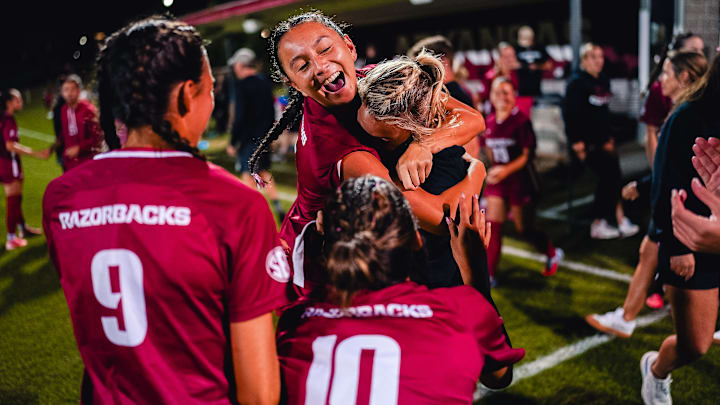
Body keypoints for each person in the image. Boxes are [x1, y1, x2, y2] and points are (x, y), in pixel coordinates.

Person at [43, 17, 288, 404]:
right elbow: (259, 392)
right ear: (188, 94)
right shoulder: (236, 205)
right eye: (210, 88)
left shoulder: (61, 196)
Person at [250, 11, 487, 290]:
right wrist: (477, 171)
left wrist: (425, 144)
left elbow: (472, 118)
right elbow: (441, 221)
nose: (321, 66)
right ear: (293, 84)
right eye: (302, 66)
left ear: (349, 47)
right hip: (327, 273)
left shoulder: (369, 77)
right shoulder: (339, 152)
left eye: (325, 49)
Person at [277, 176, 525, 405]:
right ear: (417, 240)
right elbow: (498, 376)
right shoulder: (462, 309)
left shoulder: (298, 320)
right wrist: (476, 272)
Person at [587, 51, 708, 338]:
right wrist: (643, 185)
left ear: (685, 77)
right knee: (649, 253)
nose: (661, 80)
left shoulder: (688, 116)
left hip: (689, 205)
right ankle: (627, 316)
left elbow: (681, 171)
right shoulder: (686, 112)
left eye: (666, 73)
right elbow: (673, 166)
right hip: (685, 203)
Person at [356, 50, 490, 290]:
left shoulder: (431, 165)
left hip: (441, 283)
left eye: (382, 138)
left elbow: (448, 220)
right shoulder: (385, 98)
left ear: (410, 126)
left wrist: (476, 170)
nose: (367, 141)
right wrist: (477, 170)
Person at [639, 53, 720, 405]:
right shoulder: (688, 118)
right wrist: (676, 248)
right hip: (694, 243)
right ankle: (656, 370)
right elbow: (665, 189)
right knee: (695, 345)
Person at [480, 77, 562, 286]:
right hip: (499, 181)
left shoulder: (521, 121)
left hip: (519, 180)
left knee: (523, 228)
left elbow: (526, 156)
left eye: (507, 92)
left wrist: (505, 169)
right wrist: (494, 170)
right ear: (491, 96)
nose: (503, 97)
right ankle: (490, 274)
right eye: (498, 92)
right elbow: (490, 152)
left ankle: (550, 251)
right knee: (493, 226)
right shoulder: (488, 122)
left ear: (514, 96)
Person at [563, 43, 639, 239]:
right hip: (586, 146)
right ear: (585, 60)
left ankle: (618, 218)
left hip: (603, 142)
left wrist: (609, 137)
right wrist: (577, 143)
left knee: (614, 173)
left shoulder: (603, 80)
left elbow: (603, 115)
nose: (599, 61)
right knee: (611, 174)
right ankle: (600, 222)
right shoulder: (576, 84)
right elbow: (571, 116)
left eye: (601, 57)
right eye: (594, 57)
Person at [225, 47, 285, 221]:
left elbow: (240, 117)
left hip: (248, 139)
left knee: (247, 174)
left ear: (241, 65)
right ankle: (277, 206)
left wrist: (233, 141)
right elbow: (271, 112)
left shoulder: (242, 86)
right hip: (264, 137)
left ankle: (252, 215)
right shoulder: (264, 82)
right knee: (263, 173)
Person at [1, 89, 49, 250]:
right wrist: (35, 153)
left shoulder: (4, 118)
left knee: (17, 198)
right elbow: (10, 146)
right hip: (9, 164)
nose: (20, 102)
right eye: (17, 99)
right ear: (9, 102)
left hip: (5, 163)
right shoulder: (8, 120)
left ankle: (23, 229)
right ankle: (11, 238)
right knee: (12, 199)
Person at [407, 35, 474, 108]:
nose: (419, 74)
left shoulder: (441, 98)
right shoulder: (459, 92)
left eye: (423, 66)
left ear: (443, 62)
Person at [58, 74, 102, 171]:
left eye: (72, 90)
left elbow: (98, 138)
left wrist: (79, 148)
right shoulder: (63, 110)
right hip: (70, 164)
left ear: (79, 91)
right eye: (66, 90)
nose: (69, 93)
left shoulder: (88, 110)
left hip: (87, 163)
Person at [514, 26, 551, 98]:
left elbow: (549, 65)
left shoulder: (539, 48)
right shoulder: (517, 49)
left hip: (537, 87)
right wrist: (526, 66)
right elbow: (512, 64)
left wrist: (537, 66)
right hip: (522, 89)